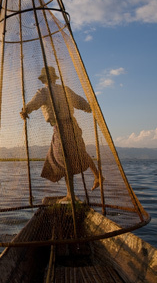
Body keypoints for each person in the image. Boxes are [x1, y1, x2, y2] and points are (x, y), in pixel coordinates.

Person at [20, 66, 102, 201]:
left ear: (44, 80)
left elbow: (34, 103)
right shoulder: (65, 90)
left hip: (61, 127)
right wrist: (89, 107)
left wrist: (25, 111)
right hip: (72, 125)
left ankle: (71, 194)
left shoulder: (43, 92)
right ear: (54, 78)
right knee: (78, 152)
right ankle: (97, 175)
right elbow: (81, 103)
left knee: (64, 159)